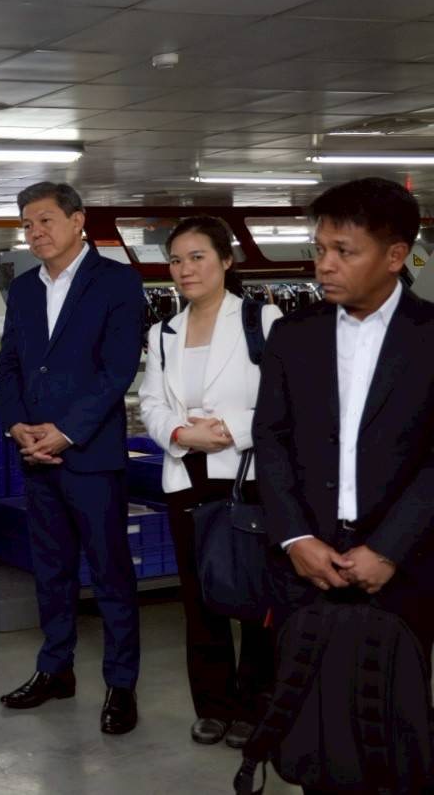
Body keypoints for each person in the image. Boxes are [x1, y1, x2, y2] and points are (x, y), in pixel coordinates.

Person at [253, 177, 434, 795]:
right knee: (315, 732)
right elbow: (271, 440)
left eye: (344, 251)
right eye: (320, 248)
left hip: (401, 570)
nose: (324, 264)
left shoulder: (430, 335)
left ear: (395, 255)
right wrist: (296, 538)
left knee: (394, 729)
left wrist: (389, 549)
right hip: (309, 567)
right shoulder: (293, 334)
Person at [0, 181, 145, 735]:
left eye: (45, 220)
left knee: (110, 574)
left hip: (91, 458)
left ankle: (121, 684)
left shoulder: (117, 282)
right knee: (51, 572)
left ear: (78, 220)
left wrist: (67, 432)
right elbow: (10, 363)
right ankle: (55, 669)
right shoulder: (24, 289)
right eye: (27, 225)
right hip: (35, 455)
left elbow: (117, 369)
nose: (35, 233)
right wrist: (16, 425)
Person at [138, 216, 279, 749]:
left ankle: (256, 706)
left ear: (225, 260)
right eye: (176, 260)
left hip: (247, 478)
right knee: (199, 599)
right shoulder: (163, 332)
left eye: (197, 257)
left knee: (255, 596)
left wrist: (229, 430)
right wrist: (179, 433)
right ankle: (214, 705)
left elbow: (287, 400)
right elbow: (151, 401)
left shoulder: (261, 320)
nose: (185, 269)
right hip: (186, 477)